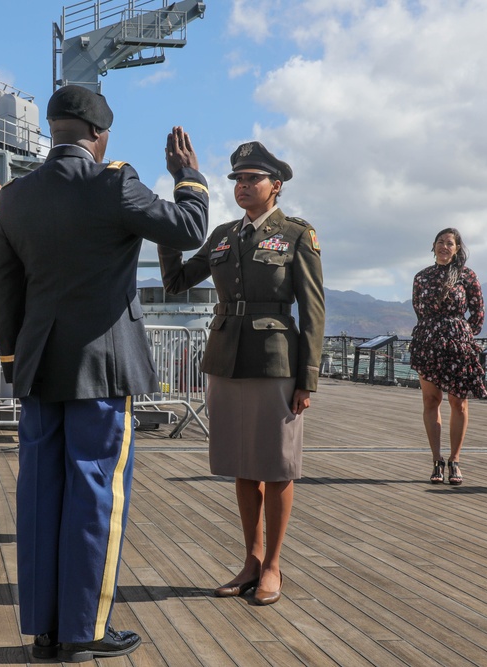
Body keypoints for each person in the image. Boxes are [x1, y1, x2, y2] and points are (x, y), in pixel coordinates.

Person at [0, 85, 208, 662]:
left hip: (38, 369)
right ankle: (84, 630)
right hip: (103, 372)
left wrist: (15, 359)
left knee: (39, 497)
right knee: (94, 496)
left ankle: (44, 631)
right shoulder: (113, 183)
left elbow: (2, 289)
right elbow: (187, 229)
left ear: (53, 130)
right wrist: (188, 177)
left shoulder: (15, 197)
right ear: (99, 135)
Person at [158, 141, 324, 606]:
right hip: (227, 360)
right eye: (238, 179)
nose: (244, 186)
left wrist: (307, 377)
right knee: (242, 466)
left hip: (276, 362)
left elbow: (313, 310)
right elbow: (176, 282)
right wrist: (166, 226)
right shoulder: (224, 236)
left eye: (253, 178)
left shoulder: (296, 235)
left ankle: (273, 565)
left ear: (277, 186)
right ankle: (249, 561)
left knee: (276, 466)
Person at [409, 228, 486, 486]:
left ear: (457, 248)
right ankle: (436, 460)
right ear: (433, 247)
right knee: (431, 400)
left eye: (449, 243)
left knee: (458, 403)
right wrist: (434, 331)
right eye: (440, 242)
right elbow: (418, 309)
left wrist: (462, 333)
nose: (444, 246)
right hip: (428, 341)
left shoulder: (467, 275)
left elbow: (478, 313)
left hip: (458, 343)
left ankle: (455, 460)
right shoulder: (421, 277)